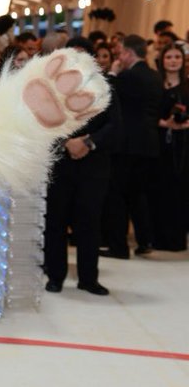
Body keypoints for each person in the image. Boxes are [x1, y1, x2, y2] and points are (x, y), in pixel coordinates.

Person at [43, 39, 122, 296]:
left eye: (82, 55)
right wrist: (67, 142)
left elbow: (115, 124)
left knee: (89, 222)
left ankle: (88, 279)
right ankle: (55, 276)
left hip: (94, 165)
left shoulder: (106, 86)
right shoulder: (53, 86)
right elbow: (45, 120)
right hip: (61, 163)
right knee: (56, 221)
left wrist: (87, 142)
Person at [101, 33, 162, 259]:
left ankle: (119, 247)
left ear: (128, 52)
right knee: (138, 194)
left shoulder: (128, 77)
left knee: (117, 196)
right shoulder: (155, 76)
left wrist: (113, 72)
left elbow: (106, 95)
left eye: (121, 52)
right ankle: (144, 239)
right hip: (149, 143)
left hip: (127, 145)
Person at [152, 43, 189, 251]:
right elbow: (148, 115)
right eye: (169, 57)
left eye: (177, 57)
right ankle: (156, 237)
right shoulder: (156, 86)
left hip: (183, 145)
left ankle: (176, 239)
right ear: (162, 60)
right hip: (159, 143)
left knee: (179, 190)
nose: (173, 61)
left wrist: (184, 124)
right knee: (158, 188)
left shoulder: (187, 87)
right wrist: (164, 123)